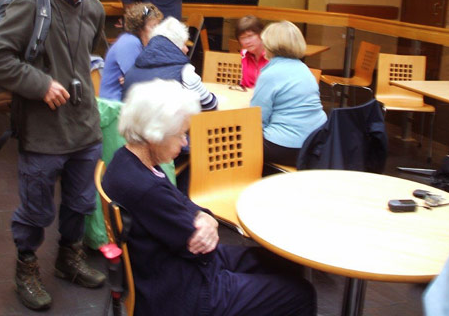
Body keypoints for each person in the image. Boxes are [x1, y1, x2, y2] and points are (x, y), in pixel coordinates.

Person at [103, 79, 316, 316]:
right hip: (183, 292)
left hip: (168, 270)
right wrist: (203, 223)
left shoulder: (127, 161)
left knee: (285, 263)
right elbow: (200, 249)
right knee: (301, 293)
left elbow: (181, 200)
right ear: (156, 135)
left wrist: (207, 217)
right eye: (181, 134)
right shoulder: (146, 189)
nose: (185, 143)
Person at [0, 0, 106, 311]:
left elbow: (91, 59)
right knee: (36, 210)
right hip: (43, 132)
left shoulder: (95, 8)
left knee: (81, 203)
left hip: (84, 128)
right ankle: (27, 268)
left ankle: (69, 259)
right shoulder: (32, 2)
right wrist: (40, 84)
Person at [250, 20, 327, 167]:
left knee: (235, 141)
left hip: (287, 147)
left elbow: (256, 119)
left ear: (271, 45)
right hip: (317, 143)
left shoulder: (270, 73)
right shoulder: (304, 69)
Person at [122, 16, 217, 110]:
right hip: (168, 125)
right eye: (184, 44)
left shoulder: (132, 70)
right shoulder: (184, 72)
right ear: (175, 45)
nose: (187, 49)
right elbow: (209, 103)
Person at [99, 2, 163, 100]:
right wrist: (141, 78)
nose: (157, 31)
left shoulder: (142, 44)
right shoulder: (129, 42)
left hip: (129, 101)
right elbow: (137, 81)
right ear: (140, 27)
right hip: (115, 105)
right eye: (153, 26)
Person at [235, 15, 268, 88]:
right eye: (242, 38)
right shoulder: (242, 55)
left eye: (250, 36)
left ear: (261, 34)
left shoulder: (273, 57)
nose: (247, 41)